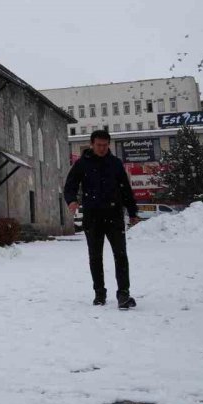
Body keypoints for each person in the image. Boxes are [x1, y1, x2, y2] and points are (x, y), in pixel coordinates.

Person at [63, 129, 140, 309]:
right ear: (92, 144)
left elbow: (125, 189)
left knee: (120, 255)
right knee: (95, 256)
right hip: (93, 217)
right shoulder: (82, 164)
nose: (102, 148)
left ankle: (123, 294)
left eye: (105, 145)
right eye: (99, 145)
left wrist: (132, 211)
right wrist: (71, 200)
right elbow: (70, 185)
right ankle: (99, 293)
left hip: (114, 215)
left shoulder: (115, 164)